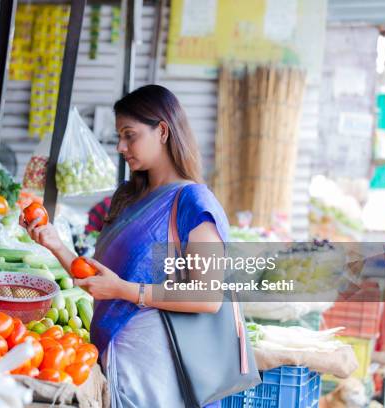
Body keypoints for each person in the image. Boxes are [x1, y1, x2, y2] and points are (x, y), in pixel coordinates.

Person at [21, 84, 229, 408]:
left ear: (162, 131)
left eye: (129, 135)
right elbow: (103, 281)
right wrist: (56, 245)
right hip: (113, 363)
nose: (120, 146)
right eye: (119, 136)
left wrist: (126, 291)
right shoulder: (128, 197)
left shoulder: (192, 201)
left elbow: (207, 295)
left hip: (159, 375)